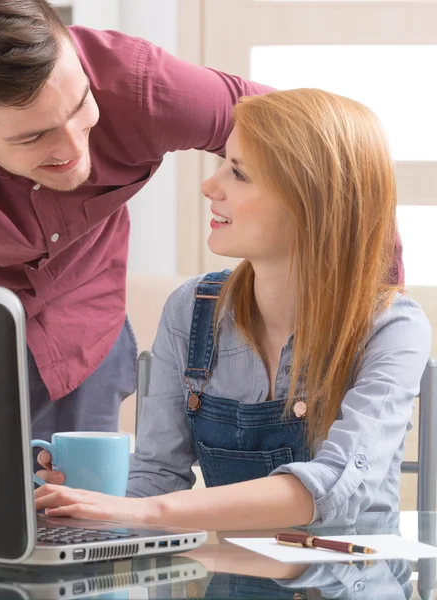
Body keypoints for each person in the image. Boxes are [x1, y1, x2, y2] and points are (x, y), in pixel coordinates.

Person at [0, 1, 404, 447]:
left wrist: (372, 312)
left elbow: (335, 157)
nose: (74, 152)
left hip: (81, 322)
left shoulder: (143, 87)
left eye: (79, 108)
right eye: (34, 137)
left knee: (83, 534)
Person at [33, 88, 431, 530]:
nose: (209, 185)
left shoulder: (392, 327)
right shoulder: (191, 310)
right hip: (230, 572)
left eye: (238, 174)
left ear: (312, 203)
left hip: (349, 578)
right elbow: (157, 478)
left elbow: (336, 481)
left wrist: (144, 510)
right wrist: (82, 499)